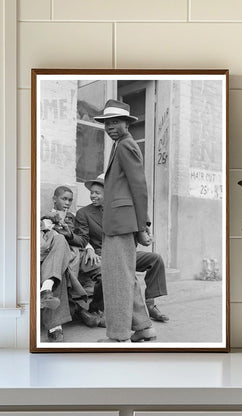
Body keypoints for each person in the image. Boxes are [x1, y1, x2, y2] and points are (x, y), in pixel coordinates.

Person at [92, 99, 156, 343]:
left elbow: (139, 187)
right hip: (119, 221)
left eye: (116, 122)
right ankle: (144, 327)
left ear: (127, 124)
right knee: (124, 276)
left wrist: (142, 226)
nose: (110, 127)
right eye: (107, 123)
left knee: (117, 278)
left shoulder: (126, 145)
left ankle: (118, 336)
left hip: (122, 223)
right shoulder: (120, 144)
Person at [73, 174, 169, 325]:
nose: (93, 196)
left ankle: (150, 304)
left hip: (124, 253)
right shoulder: (84, 213)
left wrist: (145, 232)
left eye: (97, 193)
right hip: (101, 255)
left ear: (108, 193)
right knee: (108, 271)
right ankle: (98, 308)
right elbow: (81, 237)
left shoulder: (120, 211)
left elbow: (138, 209)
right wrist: (88, 247)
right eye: (92, 192)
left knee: (155, 259)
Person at [39, 185, 98, 342]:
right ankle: (58, 322)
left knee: (62, 262)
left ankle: (48, 292)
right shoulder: (45, 216)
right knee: (58, 240)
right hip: (49, 252)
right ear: (54, 199)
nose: (67, 202)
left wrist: (89, 247)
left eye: (70, 200)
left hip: (68, 254)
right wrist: (48, 224)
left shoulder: (73, 217)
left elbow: (82, 237)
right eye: (64, 199)